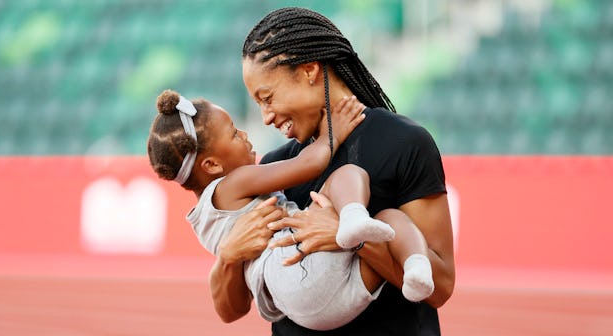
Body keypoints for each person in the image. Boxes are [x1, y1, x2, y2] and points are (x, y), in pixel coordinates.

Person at [209, 7, 456, 336]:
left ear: (310, 70)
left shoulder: (405, 143)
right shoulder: (273, 168)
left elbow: (439, 285)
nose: (266, 117)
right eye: (258, 105)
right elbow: (231, 310)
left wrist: (351, 239)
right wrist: (227, 256)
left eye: (267, 97)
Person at [147, 89, 435, 330]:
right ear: (212, 166)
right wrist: (333, 132)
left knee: (385, 226)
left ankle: (414, 273)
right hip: (297, 265)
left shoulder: (202, 219)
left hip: (305, 310)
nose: (246, 134)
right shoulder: (234, 183)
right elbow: (308, 164)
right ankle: (359, 222)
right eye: (234, 133)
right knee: (352, 179)